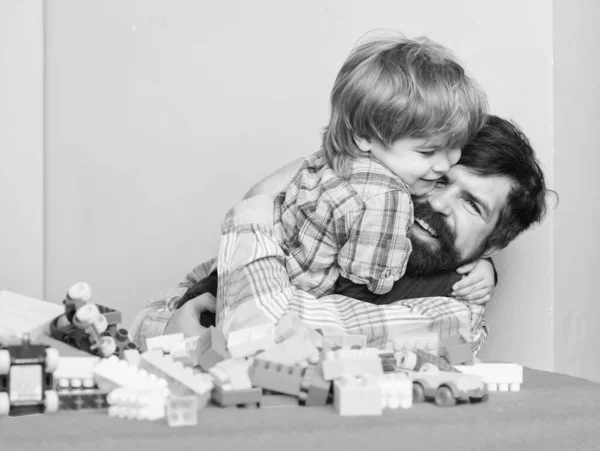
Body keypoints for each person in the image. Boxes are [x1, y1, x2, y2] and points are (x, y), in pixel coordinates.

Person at [130, 115, 554, 353]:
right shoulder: (324, 225)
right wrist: (166, 328)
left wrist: (256, 203)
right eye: (440, 180)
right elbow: (158, 312)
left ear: (493, 243)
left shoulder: (454, 312)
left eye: (473, 205)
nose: (441, 204)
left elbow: (261, 335)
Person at [176, 33, 489, 312]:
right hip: (283, 300)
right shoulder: (388, 197)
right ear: (365, 136)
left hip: (245, 271)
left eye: (455, 147)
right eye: (427, 152)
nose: (445, 164)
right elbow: (369, 284)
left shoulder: (335, 157)